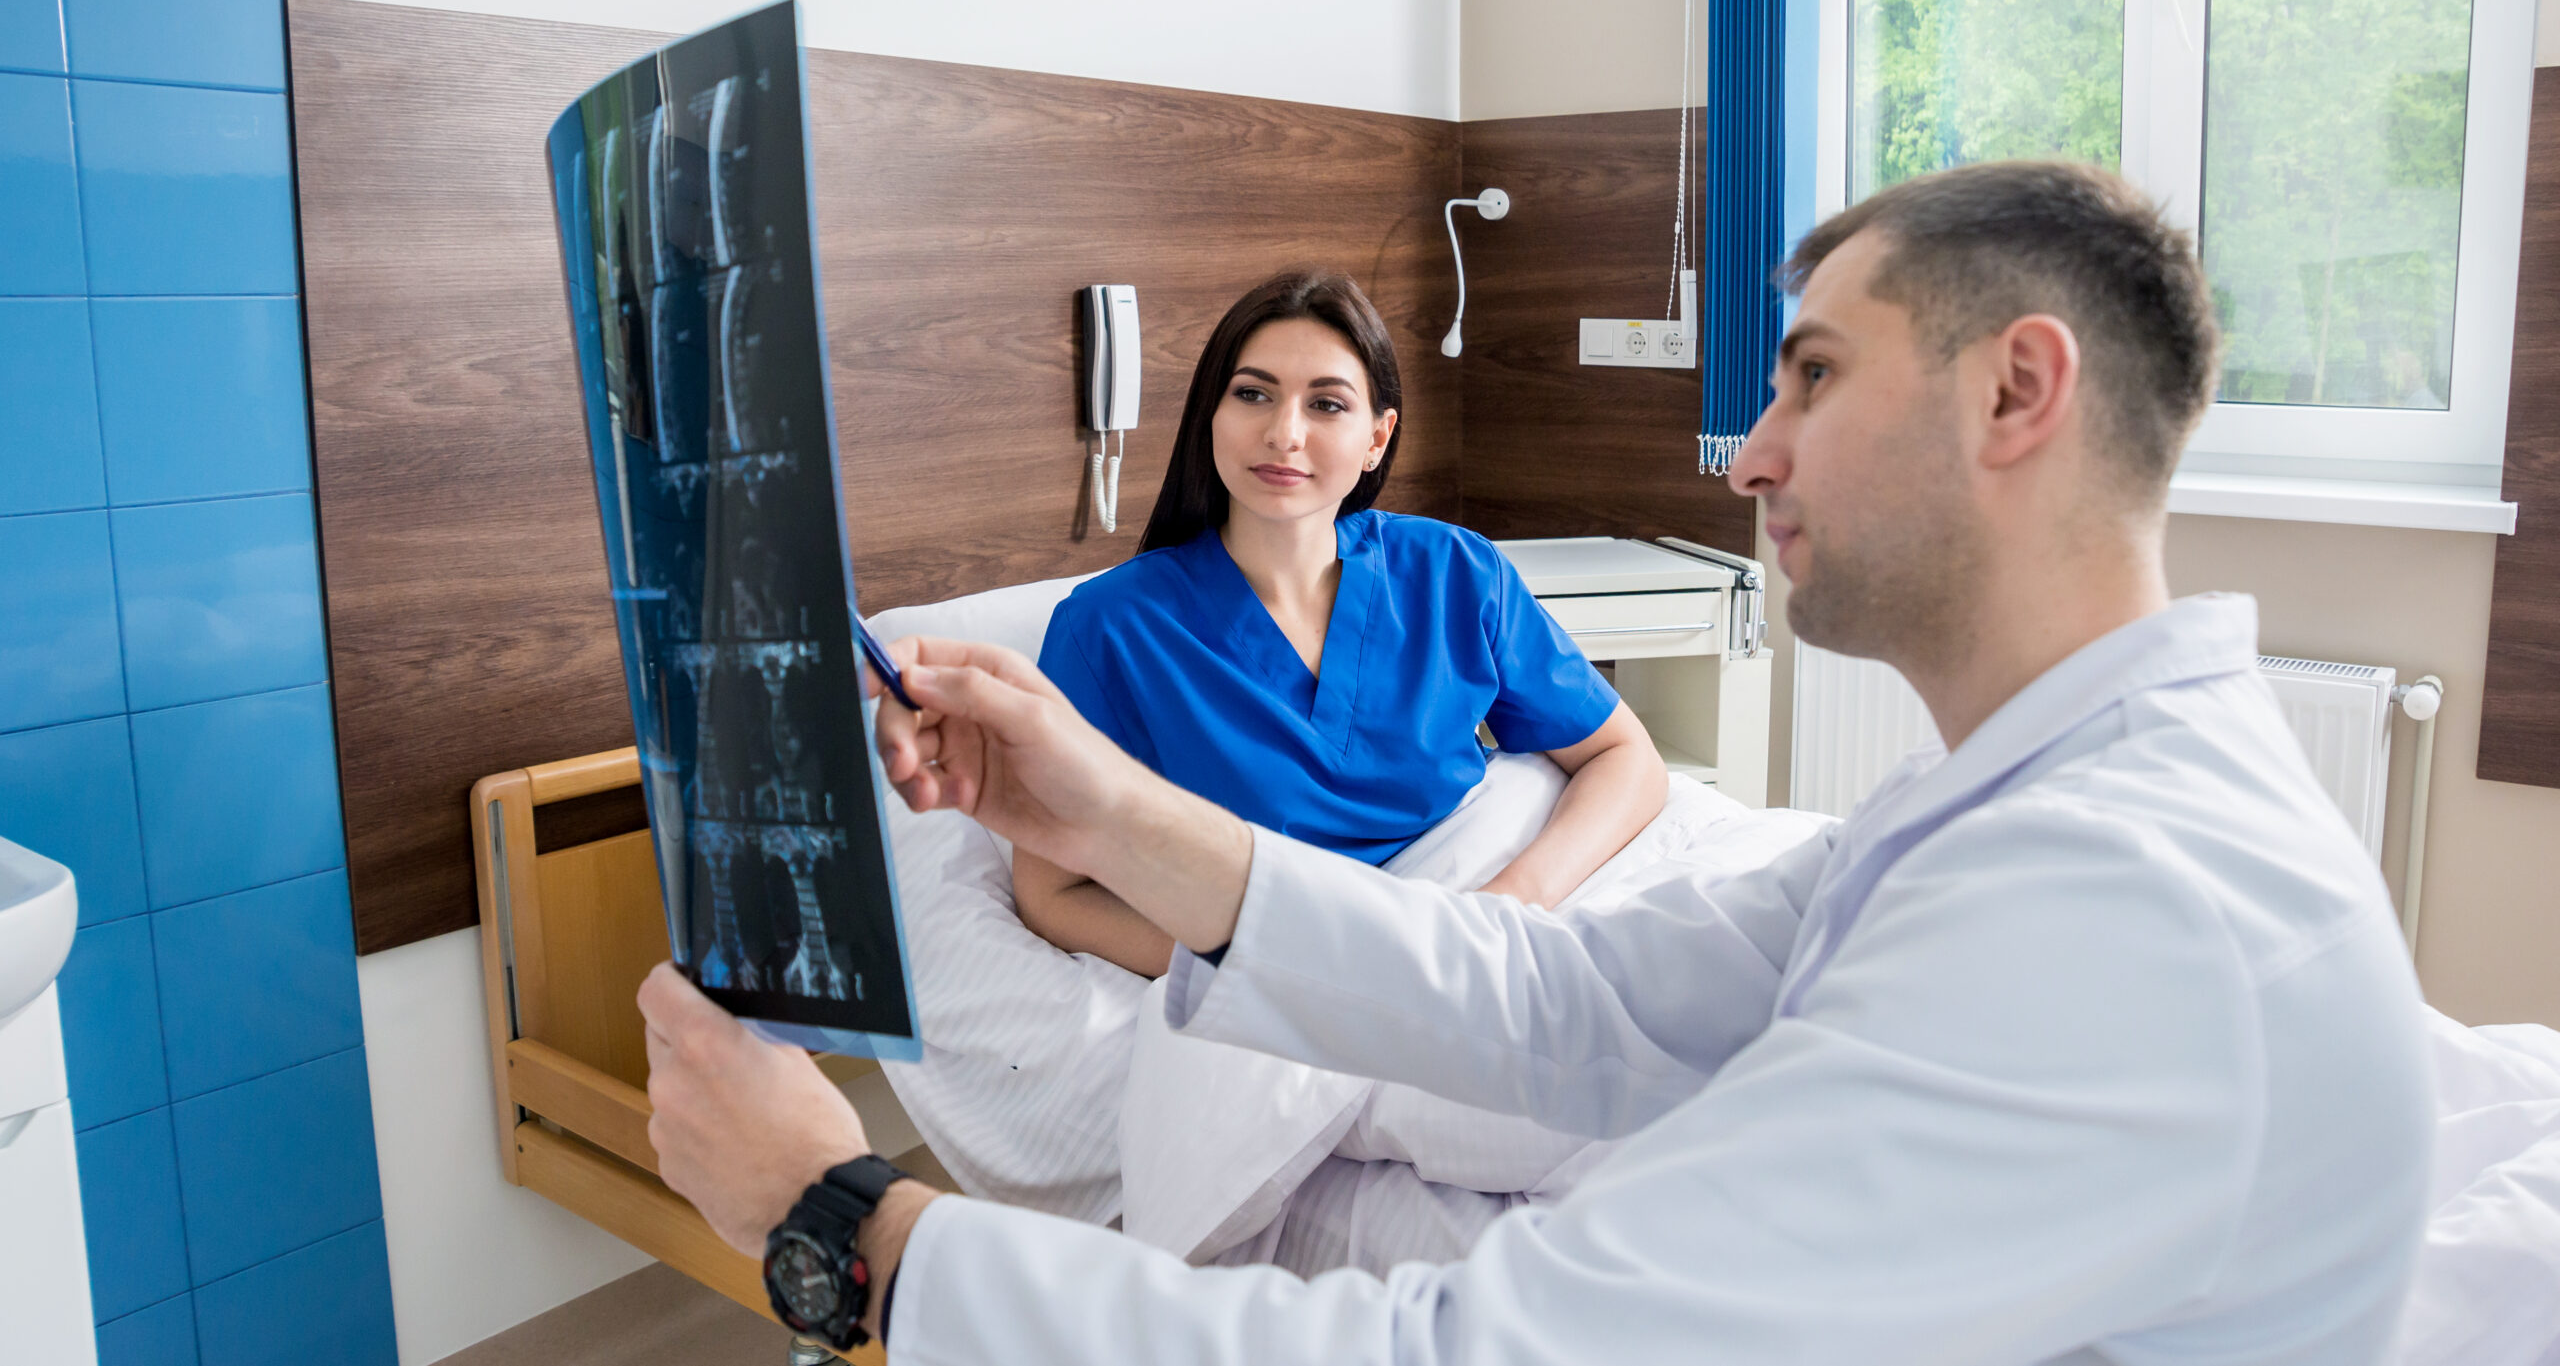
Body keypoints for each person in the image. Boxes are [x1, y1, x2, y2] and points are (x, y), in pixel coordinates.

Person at [641, 160, 2433, 1363]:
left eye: (1810, 372)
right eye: (1256, 395)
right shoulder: (2017, 808)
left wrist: (850, 1215)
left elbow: (1480, 1345)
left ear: (2017, 393)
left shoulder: (2123, 908)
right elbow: (1571, 996)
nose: (1749, 452)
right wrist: (1108, 808)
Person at [1019, 268, 1669, 976]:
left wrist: (1508, 907)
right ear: (1211, 413)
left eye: (1327, 404)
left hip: (1475, 933)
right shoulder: (1110, 629)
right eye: (1253, 393)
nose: (1284, 433)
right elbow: (1053, 890)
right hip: (1278, 958)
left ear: (1377, 438)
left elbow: (1623, 756)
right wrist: (1266, 968)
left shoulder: (1454, 573)